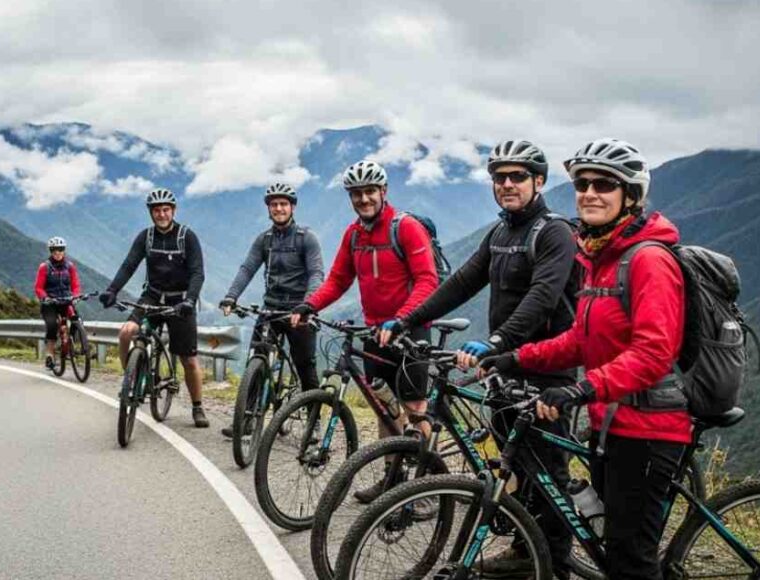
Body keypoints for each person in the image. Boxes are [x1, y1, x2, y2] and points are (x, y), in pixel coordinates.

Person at [479, 138, 690, 580]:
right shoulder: (601, 257)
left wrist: (581, 387)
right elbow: (580, 340)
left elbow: (654, 352)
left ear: (630, 196)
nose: (590, 193)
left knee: (630, 563)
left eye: (604, 185)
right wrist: (514, 358)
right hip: (609, 423)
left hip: (647, 430)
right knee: (617, 547)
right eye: (582, 183)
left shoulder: (648, 260)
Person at [379, 139, 580, 576]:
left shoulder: (554, 232)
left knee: (550, 476)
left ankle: (556, 564)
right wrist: (407, 318)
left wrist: (497, 340)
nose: (507, 184)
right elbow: (461, 284)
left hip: (547, 370)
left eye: (517, 176)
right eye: (499, 177)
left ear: (539, 181)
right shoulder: (501, 232)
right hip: (506, 370)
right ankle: (528, 552)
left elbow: (543, 297)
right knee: (520, 466)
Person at [289, 160, 440, 444]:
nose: (364, 199)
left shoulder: (406, 227)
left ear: (383, 190)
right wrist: (310, 305)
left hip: (410, 331)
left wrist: (403, 319)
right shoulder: (354, 234)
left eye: (370, 191)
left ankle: (430, 474)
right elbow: (337, 281)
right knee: (384, 410)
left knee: (415, 410)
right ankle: (390, 477)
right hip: (375, 334)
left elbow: (427, 281)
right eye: (356, 194)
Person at [218, 183, 325, 438]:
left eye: (283, 204)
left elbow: (316, 274)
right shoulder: (264, 240)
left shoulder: (306, 238)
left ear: (292, 207)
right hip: (271, 309)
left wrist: (308, 304)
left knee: (305, 366)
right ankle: (247, 420)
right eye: (274, 204)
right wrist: (231, 296)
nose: (278, 208)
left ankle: (314, 421)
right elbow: (247, 268)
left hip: (300, 310)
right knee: (258, 359)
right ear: (268, 208)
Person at [99, 188, 210, 428]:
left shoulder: (186, 237)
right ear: (151, 213)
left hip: (180, 301)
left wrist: (190, 300)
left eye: (165, 210)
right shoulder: (146, 237)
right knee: (126, 332)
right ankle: (129, 379)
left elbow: (197, 273)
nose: (161, 214)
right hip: (152, 297)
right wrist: (112, 290)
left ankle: (197, 406)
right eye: (157, 210)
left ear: (173, 211)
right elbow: (129, 265)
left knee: (188, 360)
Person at [34, 237, 82, 371]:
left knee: (76, 319)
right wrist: (45, 298)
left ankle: (71, 343)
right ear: (50, 251)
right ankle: (50, 354)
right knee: (52, 325)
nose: (58, 252)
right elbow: (38, 287)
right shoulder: (45, 267)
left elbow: (75, 284)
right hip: (50, 303)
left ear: (64, 250)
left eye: (60, 249)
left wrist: (76, 296)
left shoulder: (70, 266)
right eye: (54, 250)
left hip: (66, 300)